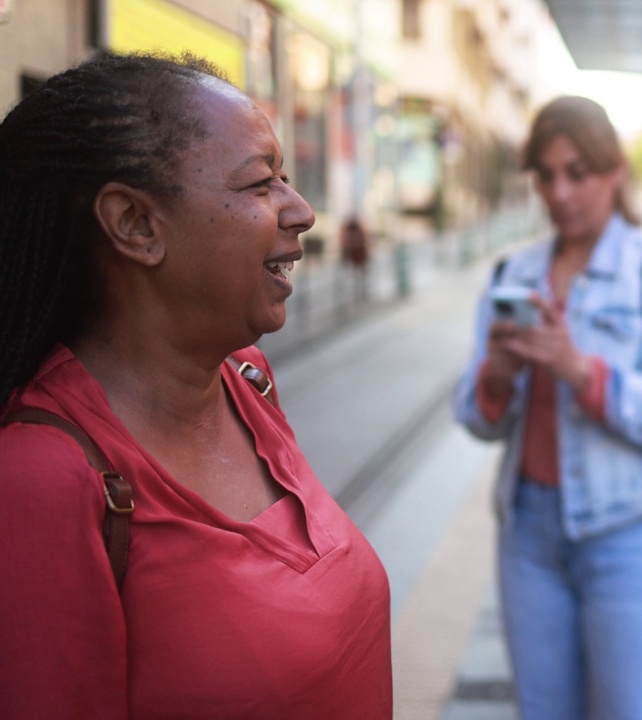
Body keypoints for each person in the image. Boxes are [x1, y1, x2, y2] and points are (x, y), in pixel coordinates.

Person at [0, 53, 392, 718]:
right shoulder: (40, 479)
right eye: (261, 185)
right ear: (135, 224)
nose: (301, 212)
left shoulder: (247, 380)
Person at [454, 96, 642, 720]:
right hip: (530, 534)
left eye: (579, 172)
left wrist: (576, 367)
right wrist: (500, 373)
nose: (560, 192)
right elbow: (476, 416)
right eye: (546, 174)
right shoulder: (514, 273)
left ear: (615, 171)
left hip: (632, 532)